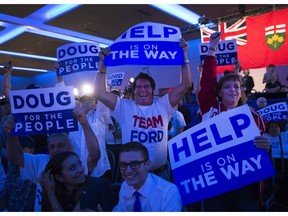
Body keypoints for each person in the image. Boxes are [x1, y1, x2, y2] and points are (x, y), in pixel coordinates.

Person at [94, 38, 192, 180]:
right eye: (138, 87)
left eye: (146, 86)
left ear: (152, 90)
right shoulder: (124, 107)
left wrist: (184, 56)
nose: (142, 90)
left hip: (160, 173)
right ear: (134, 91)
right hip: (131, 174)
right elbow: (99, 93)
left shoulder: (163, 105)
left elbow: (186, 85)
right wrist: (102, 66)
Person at [197, 31, 271, 211]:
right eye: (227, 87)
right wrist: (212, 49)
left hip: (245, 184)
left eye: (236, 87)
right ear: (219, 92)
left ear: (241, 91)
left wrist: (265, 145)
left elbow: (262, 145)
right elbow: (207, 82)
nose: (232, 90)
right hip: (216, 182)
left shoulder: (253, 117)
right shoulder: (210, 109)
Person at [2, 110, 101, 211]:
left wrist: (85, 125)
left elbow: (95, 155)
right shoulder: (42, 160)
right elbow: (15, 157)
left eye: (61, 145)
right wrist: (11, 134)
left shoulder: (77, 162)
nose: (56, 150)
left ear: (71, 148)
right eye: (52, 147)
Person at [55, 68, 110, 179]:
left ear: (95, 104)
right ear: (78, 104)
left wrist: (103, 70)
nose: (86, 102)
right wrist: (59, 76)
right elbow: (64, 96)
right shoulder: (72, 121)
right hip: (75, 169)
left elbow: (104, 97)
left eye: (90, 100)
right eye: (83, 100)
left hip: (98, 171)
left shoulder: (100, 118)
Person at [112, 142, 182, 212]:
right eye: (123, 165)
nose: (128, 170)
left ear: (148, 165)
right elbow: (120, 209)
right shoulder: (125, 186)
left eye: (135, 163)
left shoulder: (168, 193)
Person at [41, 151, 116, 211]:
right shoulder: (57, 191)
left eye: (79, 164)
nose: (80, 170)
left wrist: (51, 194)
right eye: (72, 168)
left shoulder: (98, 186)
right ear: (59, 177)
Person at [0, 135, 37, 212]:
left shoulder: (31, 175)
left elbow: (25, 207)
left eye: (31, 153)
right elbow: (4, 194)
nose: (29, 156)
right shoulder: (12, 167)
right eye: (25, 153)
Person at [263, 121, 288, 210]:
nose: (274, 129)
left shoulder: (285, 135)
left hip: (285, 161)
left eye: (276, 127)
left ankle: (283, 202)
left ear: (280, 128)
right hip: (270, 161)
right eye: (271, 127)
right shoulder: (264, 137)